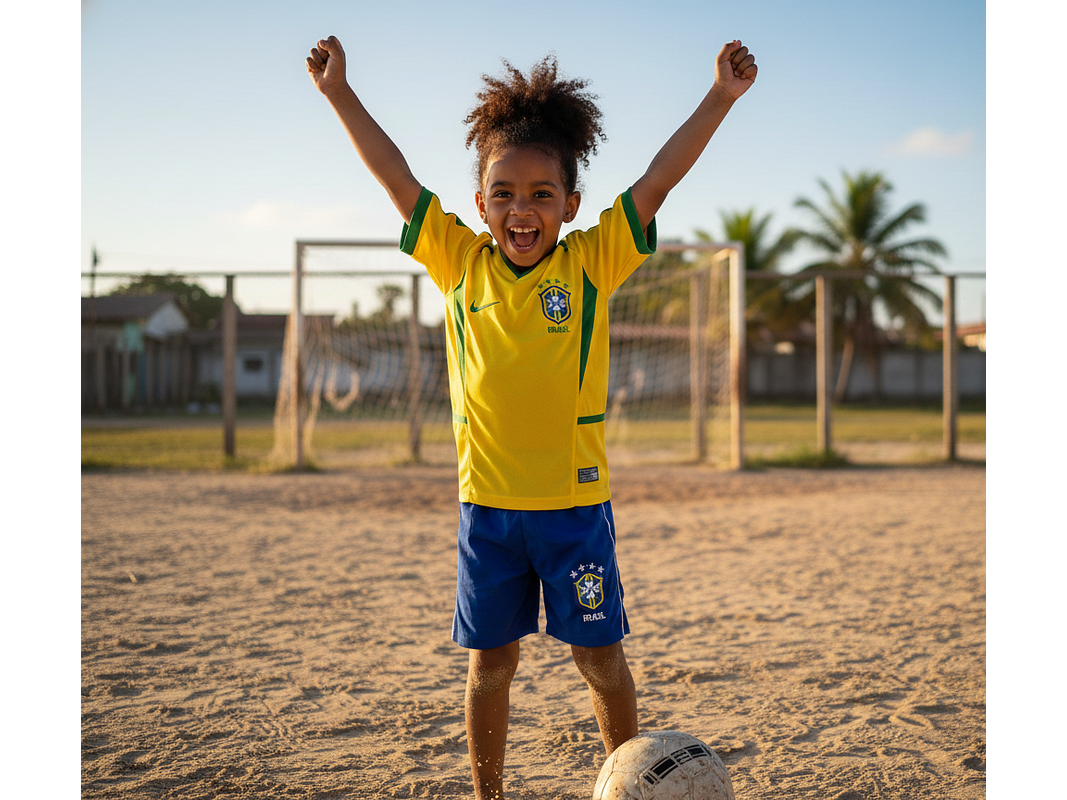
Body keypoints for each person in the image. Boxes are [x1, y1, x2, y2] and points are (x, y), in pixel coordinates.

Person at [307, 36, 757, 800]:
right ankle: (489, 796)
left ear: (570, 205)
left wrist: (719, 96)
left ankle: (631, 787)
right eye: (504, 193)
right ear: (480, 205)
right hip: (487, 510)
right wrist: (338, 94)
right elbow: (393, 175)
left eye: (542, 193)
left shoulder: (590, 262)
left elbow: (657, 180)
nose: (523, 209)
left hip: (574, 510)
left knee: (600, 661)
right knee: (491, 666)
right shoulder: (458, 263)